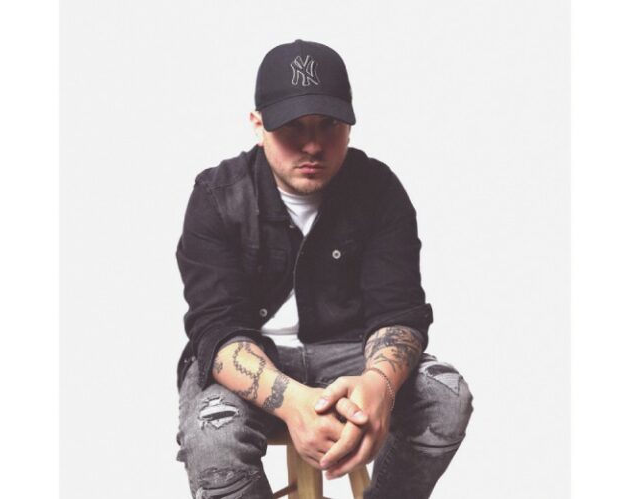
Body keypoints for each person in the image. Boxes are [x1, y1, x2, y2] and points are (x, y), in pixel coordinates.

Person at [175, 39, 473, 499]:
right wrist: (294, 402)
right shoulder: (217, 196)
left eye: (329, 125)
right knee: (213, 435)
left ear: (349, 127)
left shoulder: (379, 189)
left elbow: (399, 312)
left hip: (351, 357)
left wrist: (378, 385)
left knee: (446, 397)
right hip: (254, 361)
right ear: (258, 125)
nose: (312, 144)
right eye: (292, 127)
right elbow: (216, 331)